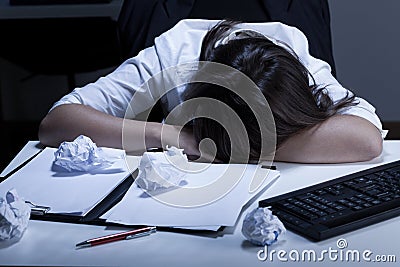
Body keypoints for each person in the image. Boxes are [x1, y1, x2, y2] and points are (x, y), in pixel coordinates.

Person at [38, 19, 386, 164]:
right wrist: (174, 135)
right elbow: (57, 121)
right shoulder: (171, 56)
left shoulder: (294, 56)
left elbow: (367, 140)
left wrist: (229, 144)